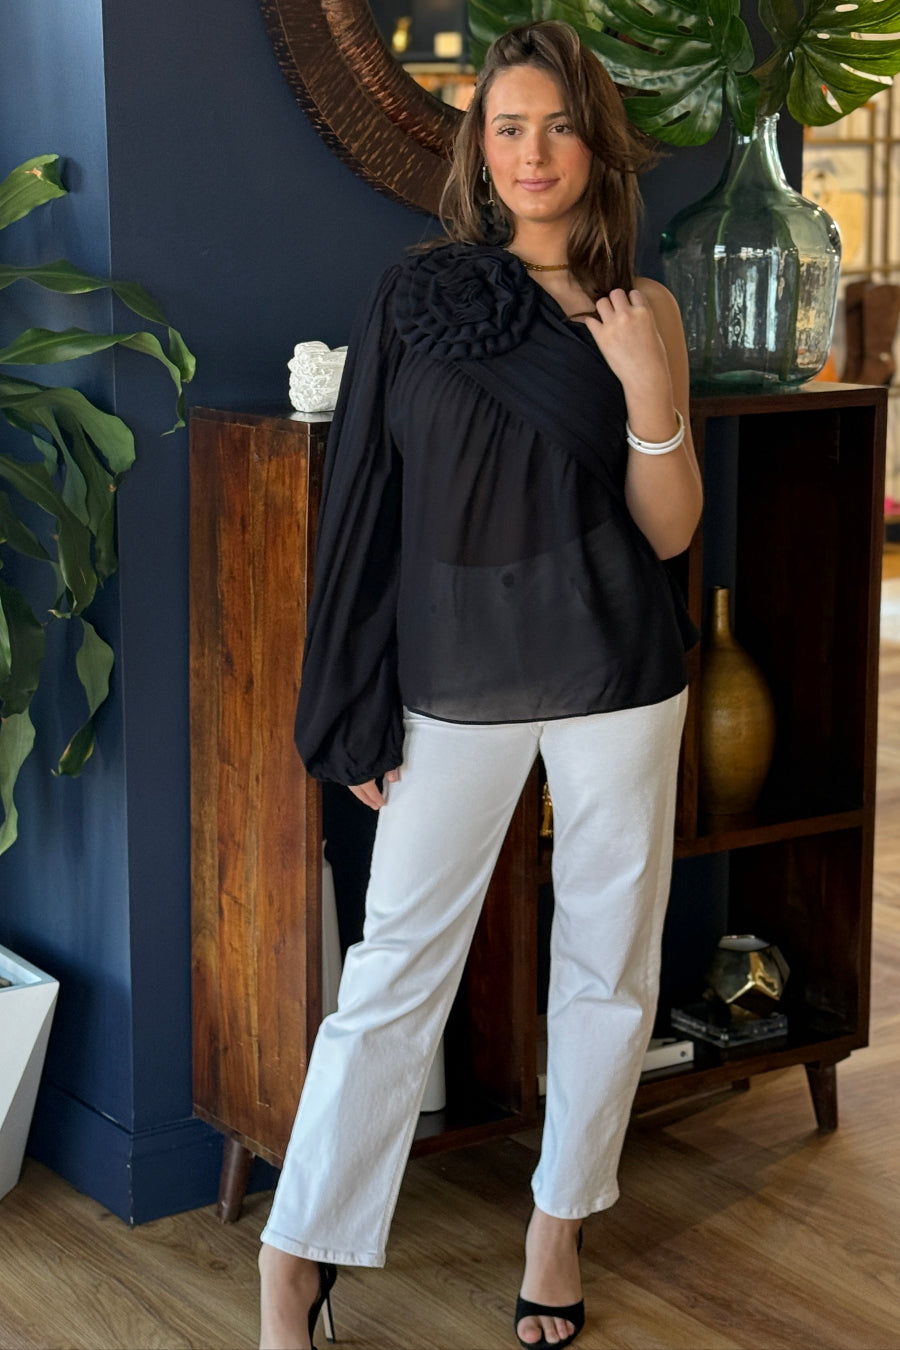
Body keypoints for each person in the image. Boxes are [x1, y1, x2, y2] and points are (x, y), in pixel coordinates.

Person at [258, 19, 703, 1350]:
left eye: (558, 126)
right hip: (453, 684)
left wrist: (649, 395)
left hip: (618, 672)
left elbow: (671, 531)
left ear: (595, 146)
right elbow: (363, 508)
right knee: (394, 968)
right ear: (480, 148)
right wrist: (350, 698)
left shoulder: (644, 310)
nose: (534, 151)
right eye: (509, 127)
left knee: (607, 968)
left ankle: (558, 1227)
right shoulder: (417, 300)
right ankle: (296, 1252)